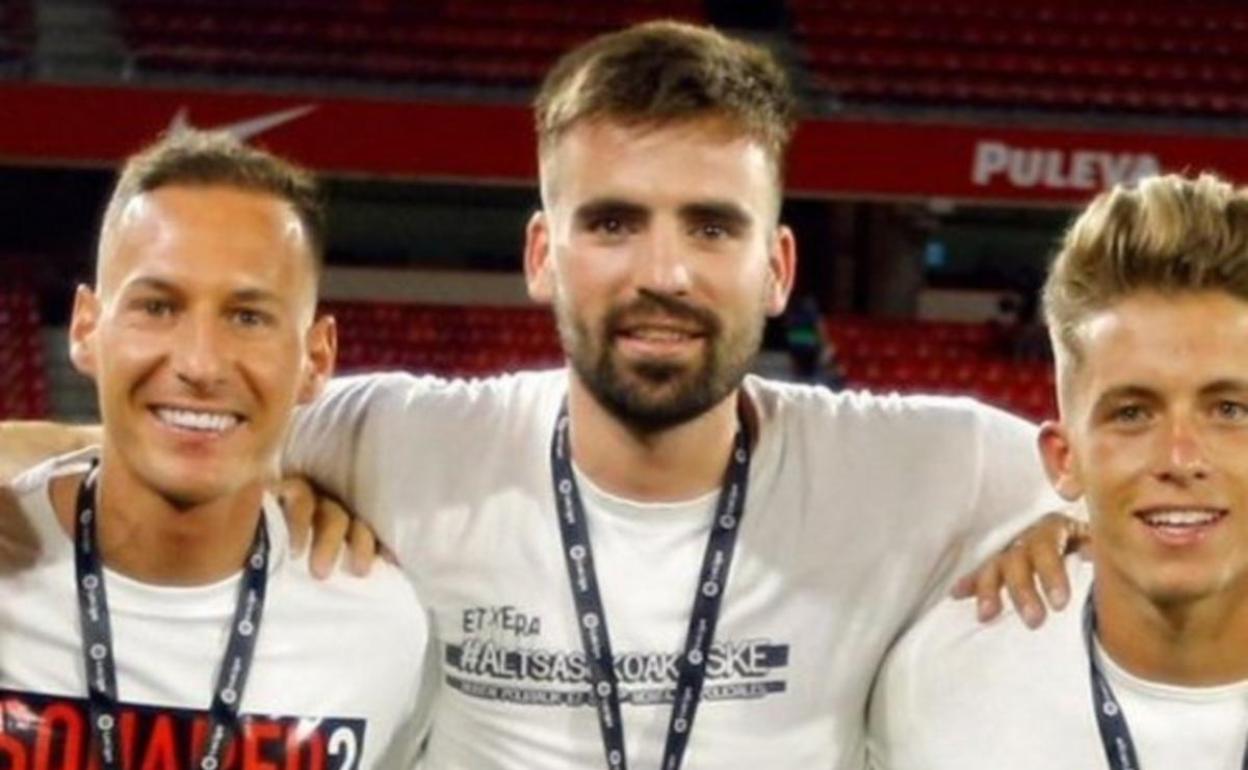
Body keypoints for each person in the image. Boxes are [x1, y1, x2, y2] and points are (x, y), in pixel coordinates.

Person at [274, 21, 1068, 770]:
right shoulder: (392, 441)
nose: (663, 274)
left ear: (778, 270)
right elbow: (188, 440)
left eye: (713, 228)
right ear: (543, 255)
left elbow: (1147, 478)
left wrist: (1072, 526)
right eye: (614, 224)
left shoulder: (929, 466)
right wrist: (261, 488)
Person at [0, 130, 429, 769]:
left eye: (248, 317)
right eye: (157, 306)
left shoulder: (383, 629)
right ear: (88, 328)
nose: (200, 363)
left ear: (316, 359)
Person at [869, 172, 1248, 769]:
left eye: (1230, 410)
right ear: (1063, 460)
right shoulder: (942, 686)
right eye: (1131, 413)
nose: (1181, 459)